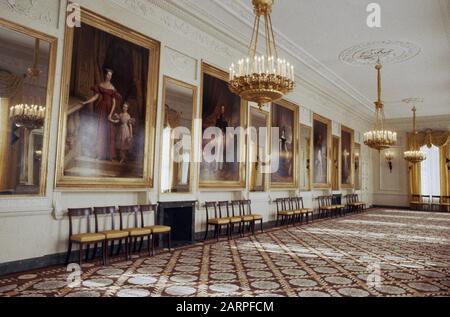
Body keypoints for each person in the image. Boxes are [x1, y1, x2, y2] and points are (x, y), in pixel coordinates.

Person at [81, 68, 121, 161]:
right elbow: (95, 97)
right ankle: (99, 154)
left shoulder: (112, 87)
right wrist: (86, 102)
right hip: (102, 109)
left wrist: (110, 114)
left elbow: (114, 102)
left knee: (109, 131)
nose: (109, 77)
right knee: (100, 130)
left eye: (111, 75)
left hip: (109, 110)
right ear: (105, 75)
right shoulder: (101, 85)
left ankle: (109, 155)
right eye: (108, 75)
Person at [215, 105, 228, 171]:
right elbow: (215, 127)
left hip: (223, 136)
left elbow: (227, 129)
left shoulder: (225, 120)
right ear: (220, 109)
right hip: (218, 135)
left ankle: (220, 167)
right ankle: (216, 167)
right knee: (217, 151)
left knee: (221, 152)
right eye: (221, 108)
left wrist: (224, 133)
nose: (222, 110)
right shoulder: (218, 118)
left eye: (223, 109)